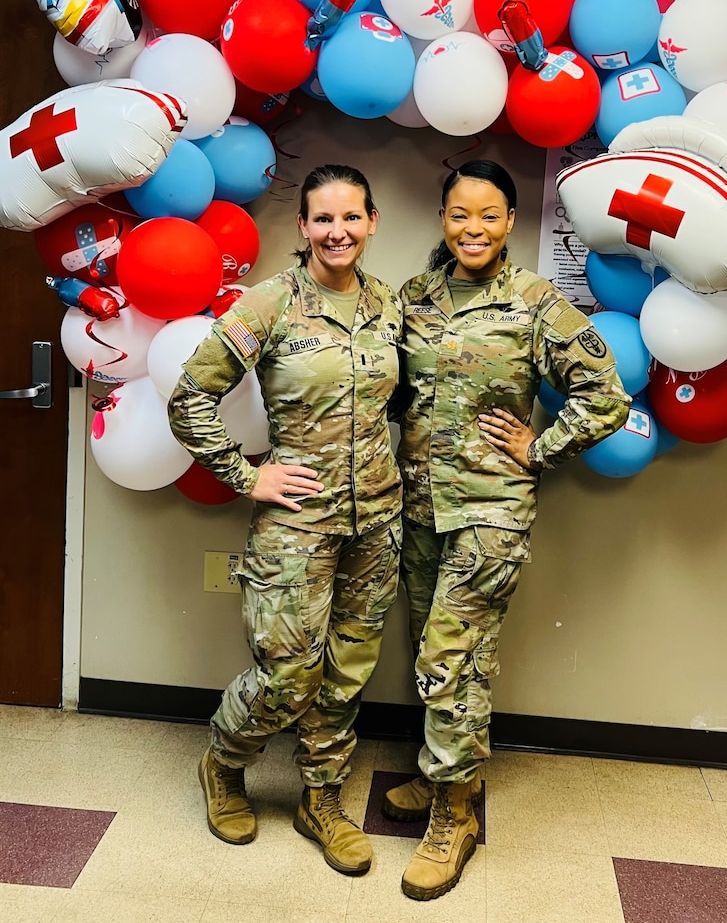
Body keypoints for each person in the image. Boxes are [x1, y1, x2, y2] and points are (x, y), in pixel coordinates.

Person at [383, 159, 632, 901]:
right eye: (460, 214)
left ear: (510, 223)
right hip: (421, 507)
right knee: (449, 650)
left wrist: (539, 446)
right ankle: (443, 777)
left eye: (488, 215)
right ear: (441, 219)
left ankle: (453, 816)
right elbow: (385, 391)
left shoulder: (534, 303)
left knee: (447, 654)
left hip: (492, 512)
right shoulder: (414, 298)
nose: (473, 228)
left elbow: (605, 397)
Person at [168, 164, 402, 877]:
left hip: (376, 522)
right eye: (322, 219)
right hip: (297, 523)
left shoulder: (387, 307)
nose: (337, 231)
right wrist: (248, 475)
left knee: (346, 669)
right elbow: (187, 401)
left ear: (371, 222)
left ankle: (321, 799)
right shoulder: (267, 304)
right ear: (302, 227)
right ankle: (224, 761)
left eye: (351, 218)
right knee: (287, 675)